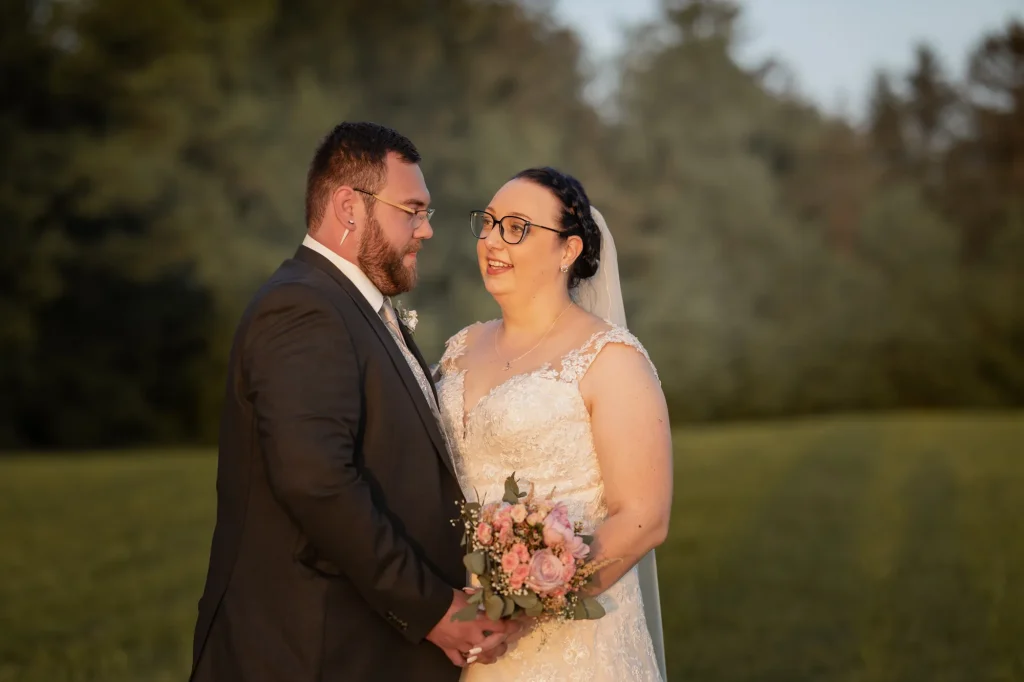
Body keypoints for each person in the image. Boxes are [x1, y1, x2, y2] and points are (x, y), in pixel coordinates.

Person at [189, 122, 518, 682]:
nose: (427, 231)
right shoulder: (302, 308)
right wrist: (433, 608)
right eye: (412, 210)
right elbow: (317, 481)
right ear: (349, 207)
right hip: (309, 652)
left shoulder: (352, 306)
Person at [434, 167, 673, 681]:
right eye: (489, 223)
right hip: (460, 633)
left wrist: (526, 603)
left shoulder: (610, 359)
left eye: (516, 227)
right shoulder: (459, 349)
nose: (492, 241)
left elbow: (646, 517)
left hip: (573, 648)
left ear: (568, 250)